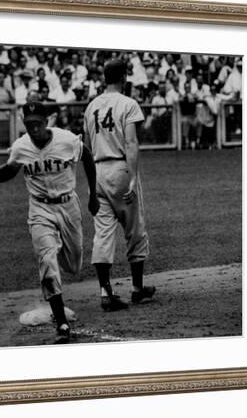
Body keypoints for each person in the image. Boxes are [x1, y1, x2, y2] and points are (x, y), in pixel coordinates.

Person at [0, 102, 100, 344]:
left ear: (46, 122)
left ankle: (56, 250)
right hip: (39, 209)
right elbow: (8, 171)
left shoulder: (66, 140)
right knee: (46, 261)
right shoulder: (21, 147)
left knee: (73, 265)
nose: (33, 129)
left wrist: (93, 193)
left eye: (37, 123)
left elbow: (88, 156)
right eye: (29, 125)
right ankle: (61, 323)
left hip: (69, 205)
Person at [83, 59, 155, 311]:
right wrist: (133, 178)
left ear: (105, 77)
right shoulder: (128, 103)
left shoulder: (91, 106)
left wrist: (92, 186)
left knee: (102, 235)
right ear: (123, 77)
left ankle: (106, 293)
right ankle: (137, 289)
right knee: (135, 230)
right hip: (120, 169)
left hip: (98, 171)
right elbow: (131, 144)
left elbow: (86, 149)